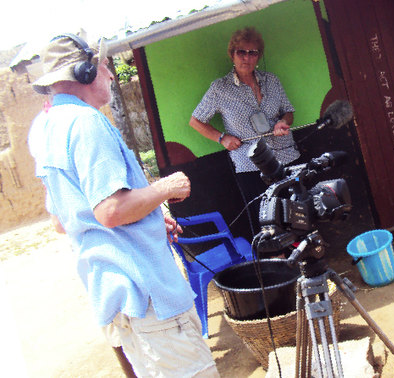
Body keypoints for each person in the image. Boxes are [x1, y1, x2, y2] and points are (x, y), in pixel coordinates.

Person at [28, 34, 220, 377]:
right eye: (103, 66)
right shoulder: (87, 123)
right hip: (149, 296)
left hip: (119, 298)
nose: (111, 74)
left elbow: (64, 220)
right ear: (84, 72)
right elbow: (111, 210)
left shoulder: (48, 130)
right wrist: (164, 188)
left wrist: (144, 215)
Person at [189, 26, 299, 239]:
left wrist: (282, 123)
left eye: (253, 52)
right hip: (251, 164)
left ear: (259, 56)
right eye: (241, 51)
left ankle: (303, 253)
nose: (247, 57)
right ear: (232, 54)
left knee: (295, 211)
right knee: (265, 218)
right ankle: (278, 261)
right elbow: (196, 121)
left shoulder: (271, 80)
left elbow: (289, 111)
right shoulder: (220, 88)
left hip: (285, 156)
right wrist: (222, 138)